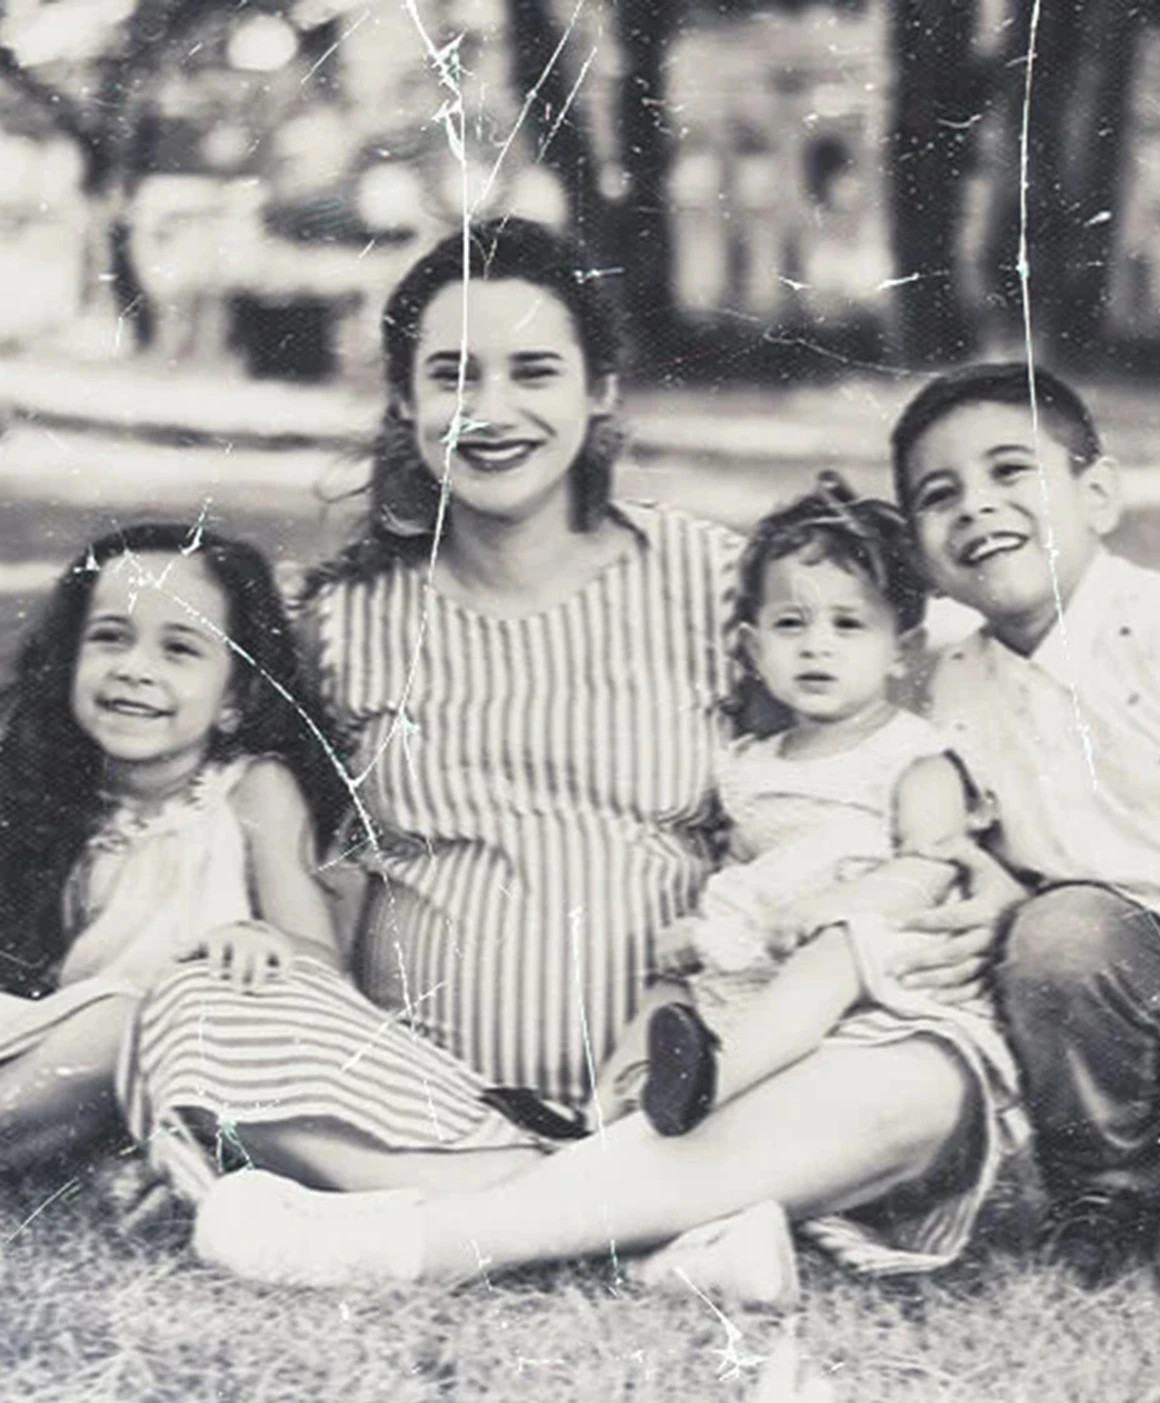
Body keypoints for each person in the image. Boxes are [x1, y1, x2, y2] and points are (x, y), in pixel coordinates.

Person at [131, 219, 994, 1299]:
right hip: (435, 1097)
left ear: (600, 393)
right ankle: (642, 1223)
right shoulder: (343, 616)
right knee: (192, 1002)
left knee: (926, 1085)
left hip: (706, 1077)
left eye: (533, 371)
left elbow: (908, 698)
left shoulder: (713, 580)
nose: (491, 412)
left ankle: (446, 1238)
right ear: (402, 402)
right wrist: (261, 929)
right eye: (452, 375)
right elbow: (283, 825)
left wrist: (982, 867)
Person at [611, 481, 1017, 1151]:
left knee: (835, 952)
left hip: (864, 959)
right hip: (761, 956)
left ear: (901, 651)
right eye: (790, 624)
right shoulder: (750, 763)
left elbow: (930, 864)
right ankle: (603, 1112)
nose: (816, 646)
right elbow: (743, 862)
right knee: (670, 987)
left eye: (848, 624)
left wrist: (844, 903)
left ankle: (715, 1081)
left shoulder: (913, 755)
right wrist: (703, 928)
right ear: (752, 647)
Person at [894, 361, 1160, 1288]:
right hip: (1109, 970)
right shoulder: (945, 678)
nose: (976, 506)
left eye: (1011, 472)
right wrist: (997, 883)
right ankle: (1107, 1198)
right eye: (940, 495)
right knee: (1060, 939)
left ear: (1097, 495)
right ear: (921, 554)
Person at [0, 523, 342, 1172]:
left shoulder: (252, 790)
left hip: (158, 1053)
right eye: (109, 638)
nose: (134, 668)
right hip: (53, 1051)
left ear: (236, 698)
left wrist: (263, 941)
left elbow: (323, 964)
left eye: (179, 648)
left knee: (128, 1024)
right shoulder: (48, 787)